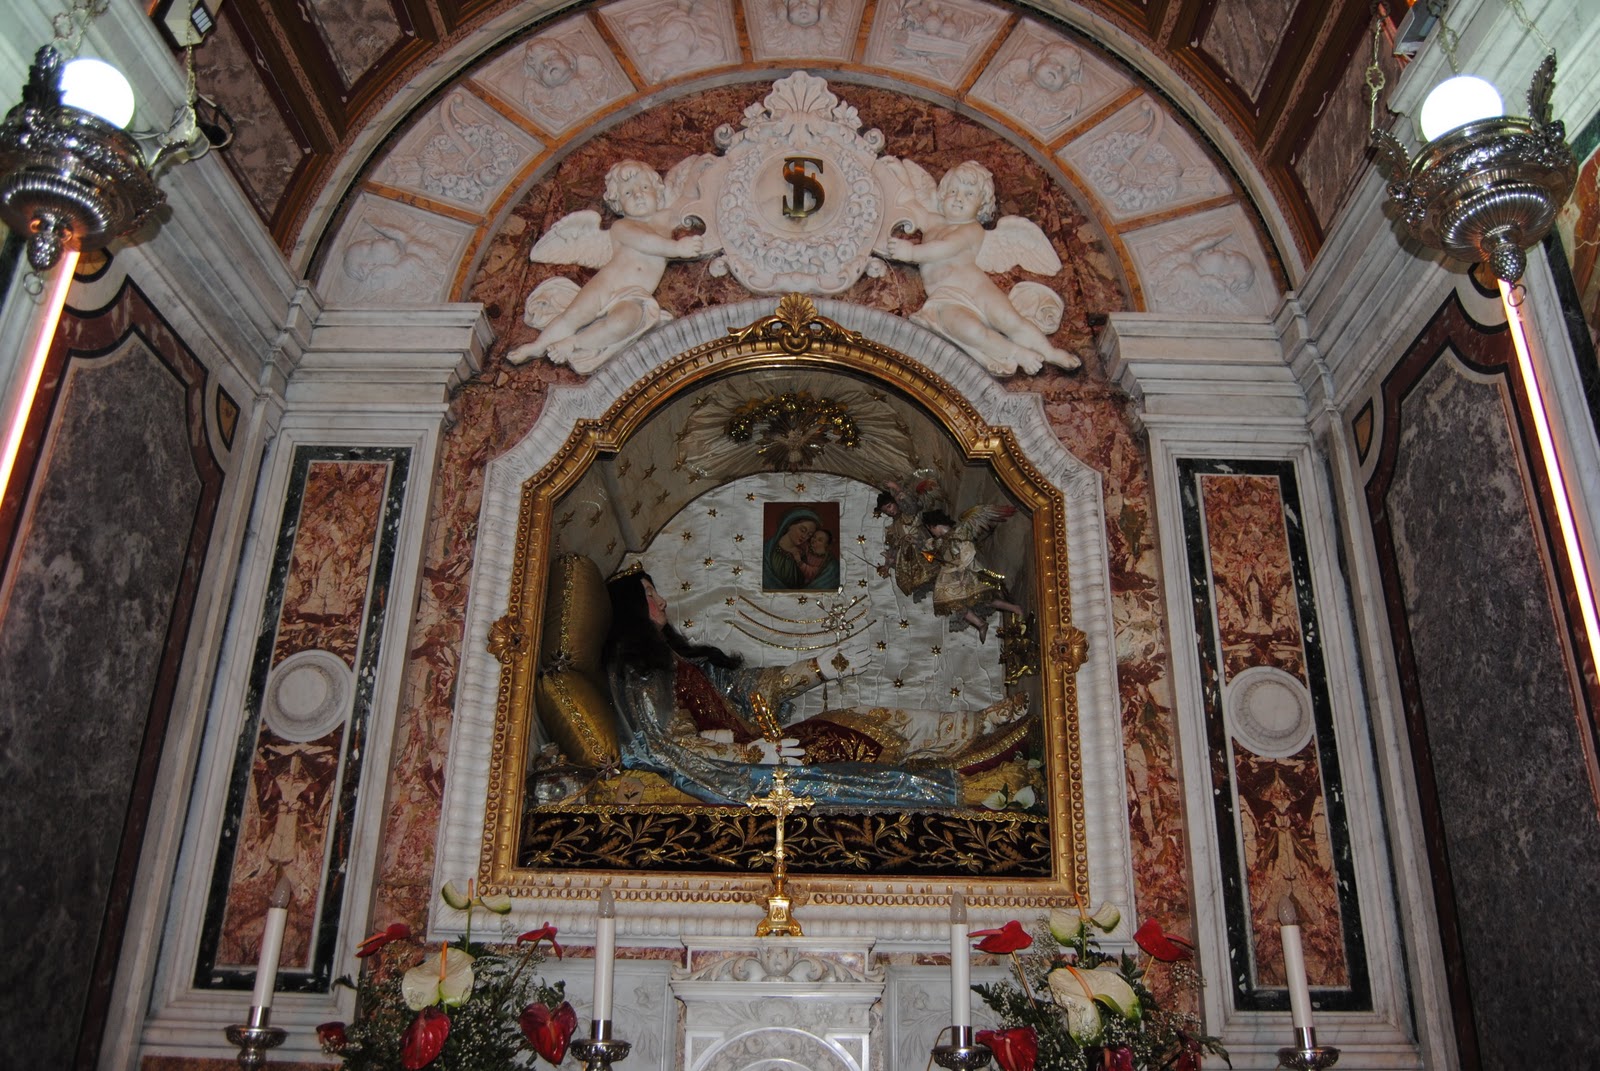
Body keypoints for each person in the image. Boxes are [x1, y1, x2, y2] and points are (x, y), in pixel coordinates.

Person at [603, 567, 1031, 807]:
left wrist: (818, 668)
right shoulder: (643, 671)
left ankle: (977, 727)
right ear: (629, 607)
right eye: (648, 594)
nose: (661, 601)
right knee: (866, 734)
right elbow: (663, 746)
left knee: (868, 720)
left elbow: (741, 689)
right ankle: (968, 766)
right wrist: (750, 753)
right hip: (740, 767)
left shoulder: (673, 659)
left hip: (764, 749)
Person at [506, 160, 705, 371]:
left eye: (644, 188)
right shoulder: (623, 226)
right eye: (628, 193)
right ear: (617, 203)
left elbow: (688, 200)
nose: (638, 195)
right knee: (573, 316)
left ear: (658, 190)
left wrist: (701, 170)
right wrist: (677, 249)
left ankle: (574, 343)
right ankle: (537, 346)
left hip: (633, 295)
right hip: (606, 286)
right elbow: (646, 241)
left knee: (625, 321)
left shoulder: (667, 218)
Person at [885, 160, 1080, 374]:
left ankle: (1050, 352)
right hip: (945, 299)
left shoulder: (972, 229)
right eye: (953, 191)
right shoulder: (932, 221)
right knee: (969, 331)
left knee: (1010, 320)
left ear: (982, 205)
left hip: (978, 291)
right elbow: (910, 204)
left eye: (969, 194)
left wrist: (911, 253)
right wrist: (900, 175)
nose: (959, 199)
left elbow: (946, 248)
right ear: (942, 194)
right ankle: (1015, 352)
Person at [922, 506, 1026, 642]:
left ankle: (1013, 609)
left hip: (967, 572)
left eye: (930, 529)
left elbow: (968, 550)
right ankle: (980, 624)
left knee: (984, 599)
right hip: (952, 576)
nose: (932, 533)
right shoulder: (939, 542)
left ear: (933, 526)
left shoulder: (960, 532)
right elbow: (934, 552)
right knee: (954, 604)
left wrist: (960, 566)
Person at [763, 508, 820, 589]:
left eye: (809, 535)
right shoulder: (767, 550)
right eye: (803, 530)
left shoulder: (802, 555)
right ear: (789, 524)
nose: (805, 537)